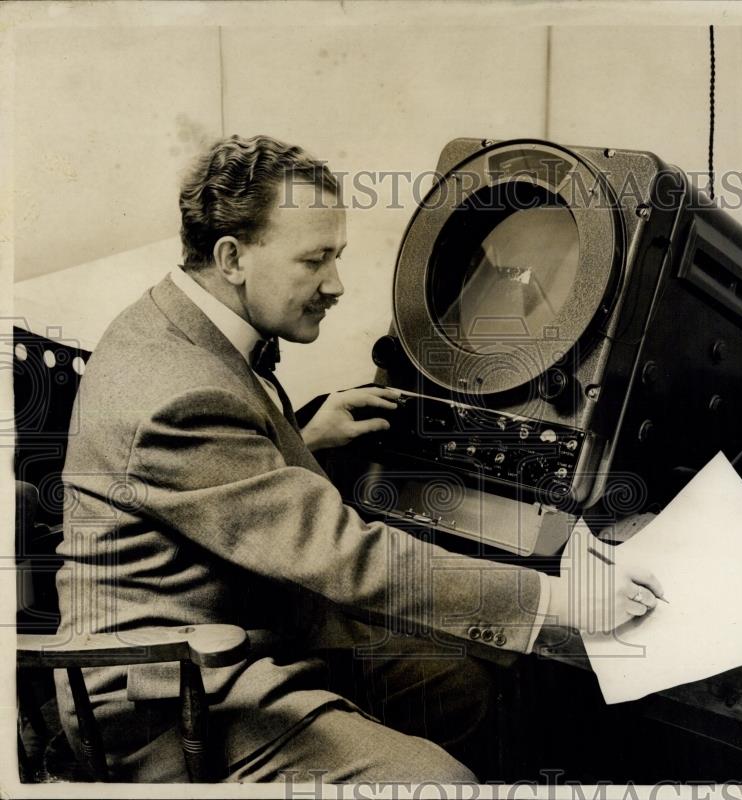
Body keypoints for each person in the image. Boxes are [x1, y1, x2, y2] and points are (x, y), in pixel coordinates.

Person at [53, 134, 662, 783]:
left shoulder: (178, 323)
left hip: (246, 628)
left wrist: (299, 436)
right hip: (173, 693)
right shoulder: (181, 393)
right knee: (439, 783)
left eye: (336, 257)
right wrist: (562, 600)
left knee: (462, 684)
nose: (336, 284)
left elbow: (209, 473)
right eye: (314, 260)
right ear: (231, 257)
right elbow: (350, 559)